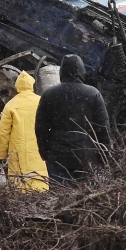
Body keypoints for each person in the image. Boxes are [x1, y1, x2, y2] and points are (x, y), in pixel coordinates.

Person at [35, 55, 111, 184]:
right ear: (82, 71)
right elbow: (103, 128)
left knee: (58, 197)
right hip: (86, 154)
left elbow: (40, 128)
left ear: (61, 71)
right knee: (85, 196)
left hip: (58, 154)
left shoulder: (49, 94)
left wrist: (45, 151)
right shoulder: (93, 93)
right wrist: (105, 155)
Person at [0, 71, 49, 192]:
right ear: (32, 85)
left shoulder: (10, 105)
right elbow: (49, 127)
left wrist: (0, 155)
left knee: (20, 186)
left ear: (17, 86)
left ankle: (21, 207)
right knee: (40, 182)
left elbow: (3, 134)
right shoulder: (42, 101)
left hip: (18, 153)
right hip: (39, 152)